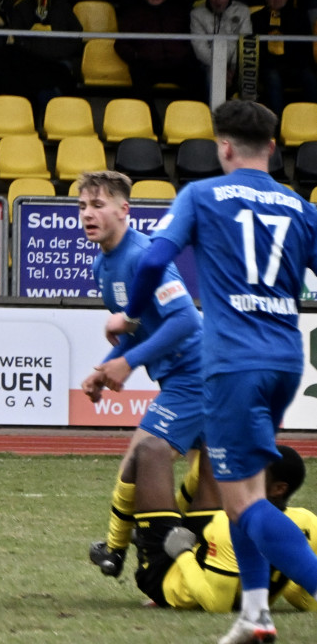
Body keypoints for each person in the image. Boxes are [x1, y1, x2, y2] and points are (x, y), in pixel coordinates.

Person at [106, 99, 317, 644]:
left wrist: (131, 315)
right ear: (273, 147)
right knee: (240, 493)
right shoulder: (299, 204)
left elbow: (153, 261)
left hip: (232, 363)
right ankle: (254, 614)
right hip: (286, 359)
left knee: (244, 505)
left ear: (223, 147)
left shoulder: (200, 195)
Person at [74, 171, 205, 580]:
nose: (87, 214)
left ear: (124, 210)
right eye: (82, 206)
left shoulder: (142, 255)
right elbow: (140, 327)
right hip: (182, 379)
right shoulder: (102, 266)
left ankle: (132, 558)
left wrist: (126, 364)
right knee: (210, 482)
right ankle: (132, 553)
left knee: (142, 458)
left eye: (97, 205)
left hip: (198, 375)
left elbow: (185, 321)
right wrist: (107, 365)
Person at [133, 446, 316, 612]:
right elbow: (301, 595)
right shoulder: (308, 522)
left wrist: (182, 552)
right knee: (214, 451)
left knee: (150, 452)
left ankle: (115, 550)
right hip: (212, 548)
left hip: (170, 579)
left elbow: (216, 604)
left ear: (278, 489)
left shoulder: (228, 524)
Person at [7, 0, 83, 113]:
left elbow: (77, 34)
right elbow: (16, 37)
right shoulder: (21, 8)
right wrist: (35, 49)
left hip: (59, 61)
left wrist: (58, 51)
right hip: (32, 62)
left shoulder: (63, 7)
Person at [115, 0, 201, 104]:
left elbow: (193, 37)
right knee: (139, 80)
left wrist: (186, 53)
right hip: (148, 64)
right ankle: (152, 122)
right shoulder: (133, 14)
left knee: (197, 78)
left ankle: (191, 120)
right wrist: (136, 56)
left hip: (178, 64)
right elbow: (121, 43)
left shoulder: (178, 13)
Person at [250, 0, 317, 118]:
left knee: (309, 77)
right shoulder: (256, 18)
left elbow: (305, 47)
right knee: (273, 77)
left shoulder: (299, 16)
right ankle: (278, 121)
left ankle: (313, 118)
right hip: (268, 66)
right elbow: (253, 47)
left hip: (294, 65)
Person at [189, 0, 251, 98]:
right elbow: (200, 47)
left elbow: (246, 41)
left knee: (248, 75)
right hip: (210, 63)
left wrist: (234, 69)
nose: (217, 0)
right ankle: (214, 115)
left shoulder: (242, 11)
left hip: (238, 63)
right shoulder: (197, 14)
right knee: (212, 76)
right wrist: (219, 68)